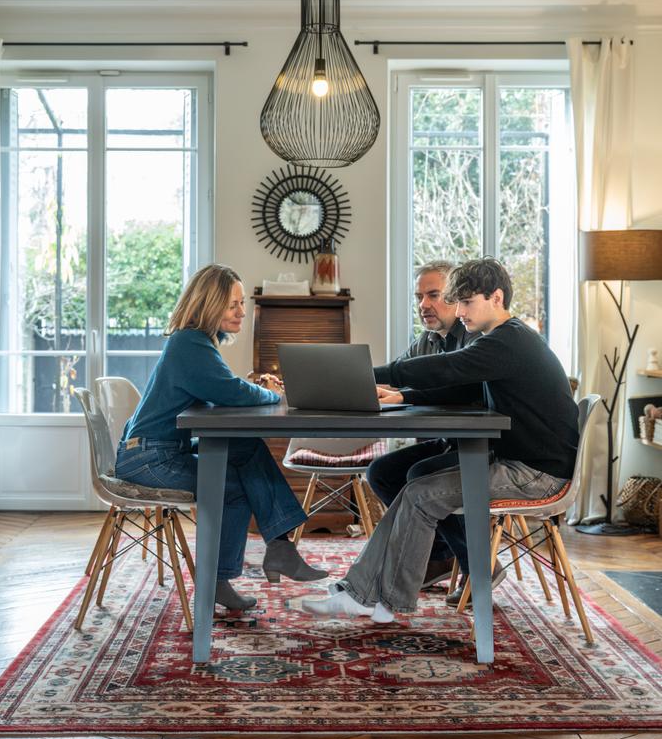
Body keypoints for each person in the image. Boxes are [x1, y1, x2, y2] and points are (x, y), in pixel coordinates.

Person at [300, 258, 578, 622]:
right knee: (414, 486)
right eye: (458, 302)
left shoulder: (507, 342)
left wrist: (358, 372)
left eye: (467, 302)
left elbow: (443, 369)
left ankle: (378, 598)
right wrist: (405, 395)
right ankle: (367, 595)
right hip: (519, 462)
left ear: (496, 297)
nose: (460, 311)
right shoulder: (507, 339)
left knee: (419, 493)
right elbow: (462, 388)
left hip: (534, 472)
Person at [115, 264, 328, 613]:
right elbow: (231, 391)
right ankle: (227, 575)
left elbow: (222, 390)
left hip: (158, 450)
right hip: (150, 459)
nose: (243, 312)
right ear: (210, 304)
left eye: (242, 303)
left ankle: (278, 548)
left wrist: (250, 389)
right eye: (234, 305)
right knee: (234, 485)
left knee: (246, 447)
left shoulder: (195, 342)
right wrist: (273, 395)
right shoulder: (190, 344)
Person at [367, 260, 480, 589]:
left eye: (433, 295)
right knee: (381, 473)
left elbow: (460, 390)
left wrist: (402, 395)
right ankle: (442, 556)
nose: (423, 305)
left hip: (480, 448)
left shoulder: (473, 338)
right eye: (419, 297)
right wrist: (364, 381)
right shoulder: (428, 341)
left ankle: (479, 564)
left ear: (457, 297)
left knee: (422, 475)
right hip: (447, 442)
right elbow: (399, 373)